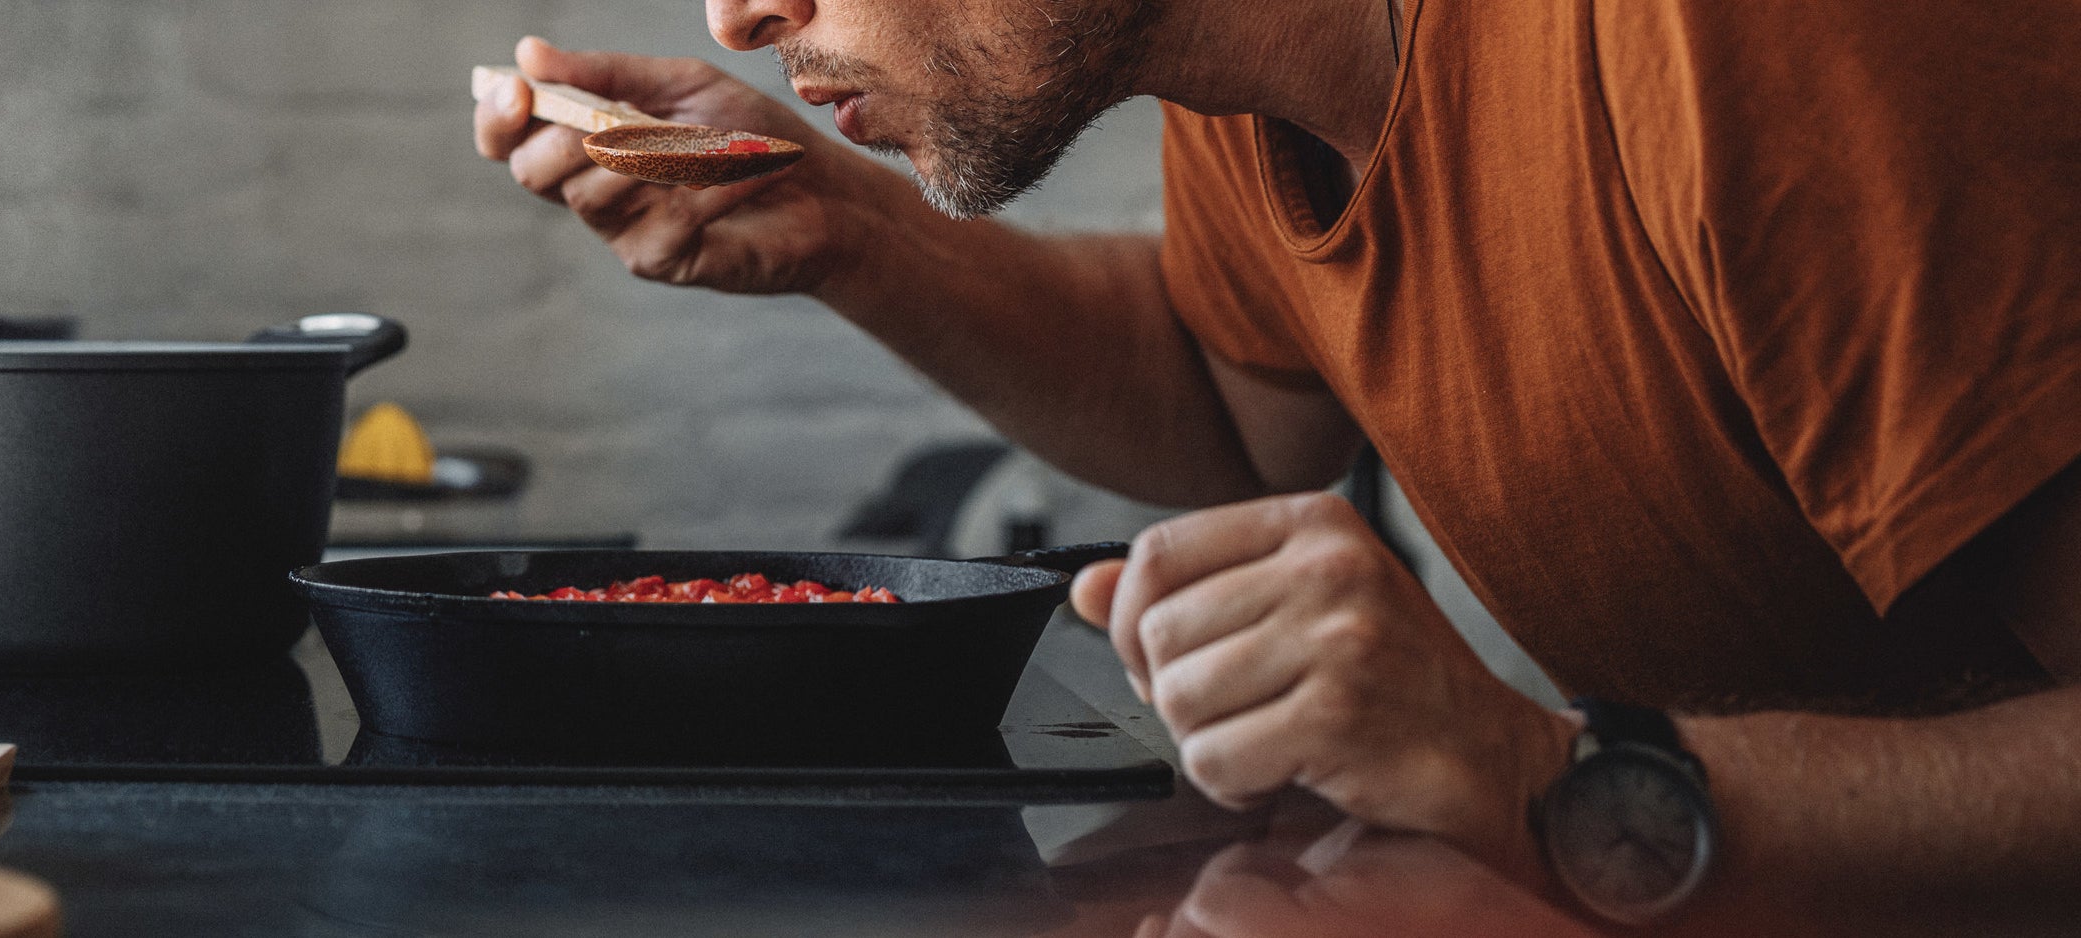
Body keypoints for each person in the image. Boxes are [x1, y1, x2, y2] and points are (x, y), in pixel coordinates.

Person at [474, 0, 2081, 932]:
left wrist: (1557, 783)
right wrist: (853, 235)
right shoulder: (1243, 83)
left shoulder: (1752, 42)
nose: (737, 12)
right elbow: (1240, 411)